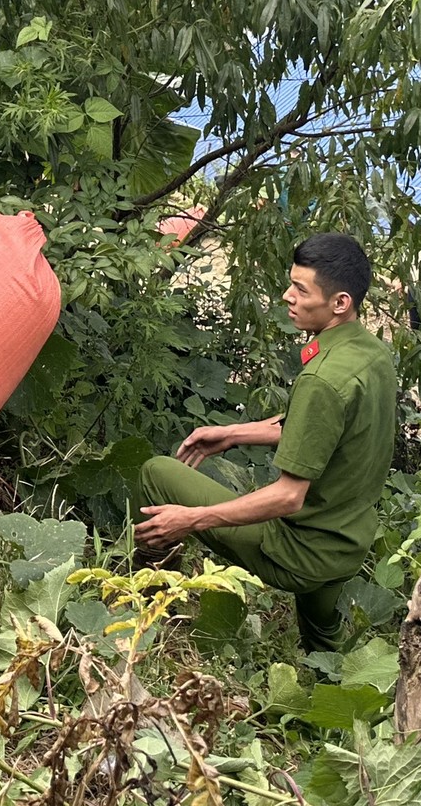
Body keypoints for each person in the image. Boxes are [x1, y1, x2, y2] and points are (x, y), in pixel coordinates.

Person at [134, 234, 398, 652]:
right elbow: (321, 430)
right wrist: (233, 433)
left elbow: (288, 497)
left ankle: (143, 615)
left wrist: (191, 519)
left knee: (158, 472)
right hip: (348, 541)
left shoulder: (322, 379)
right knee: (323, 648)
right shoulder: (371, 354)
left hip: (299, 551)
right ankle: (332, 693)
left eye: (301, 289)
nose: (287, 296)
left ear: (340, 302)